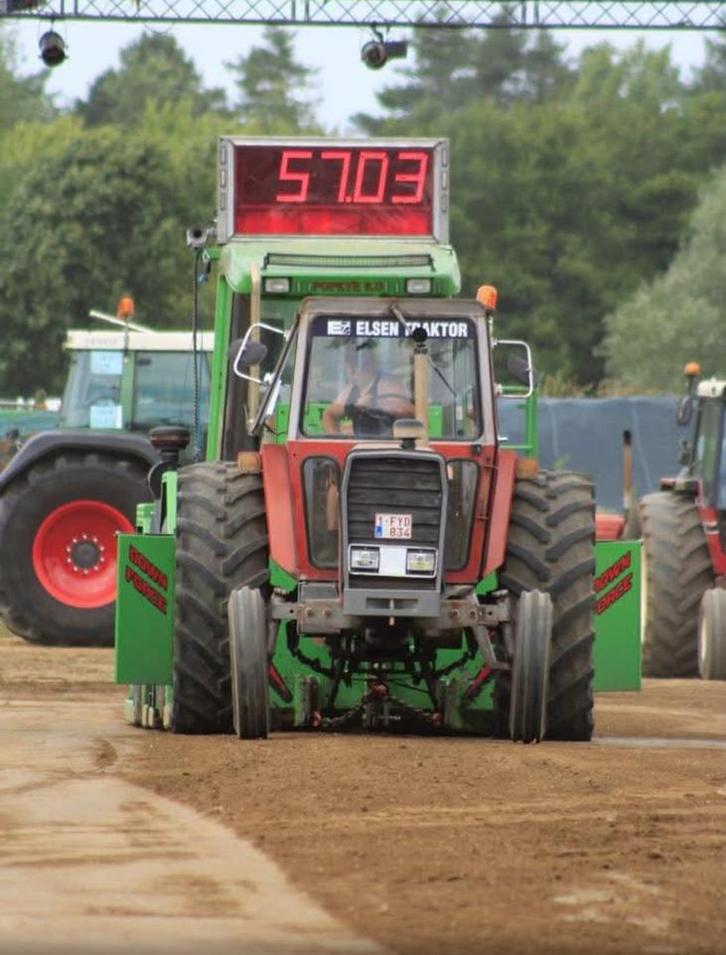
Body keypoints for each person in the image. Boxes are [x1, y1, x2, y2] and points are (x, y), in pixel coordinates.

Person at [321, 341, 414, 437]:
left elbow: (412, 413)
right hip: (360, 445)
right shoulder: (352, 389)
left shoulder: (387, 385)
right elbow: (329, 415)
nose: (347, 373)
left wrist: (376, 404)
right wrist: (338, 438)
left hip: (387, 446)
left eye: (348, 368)